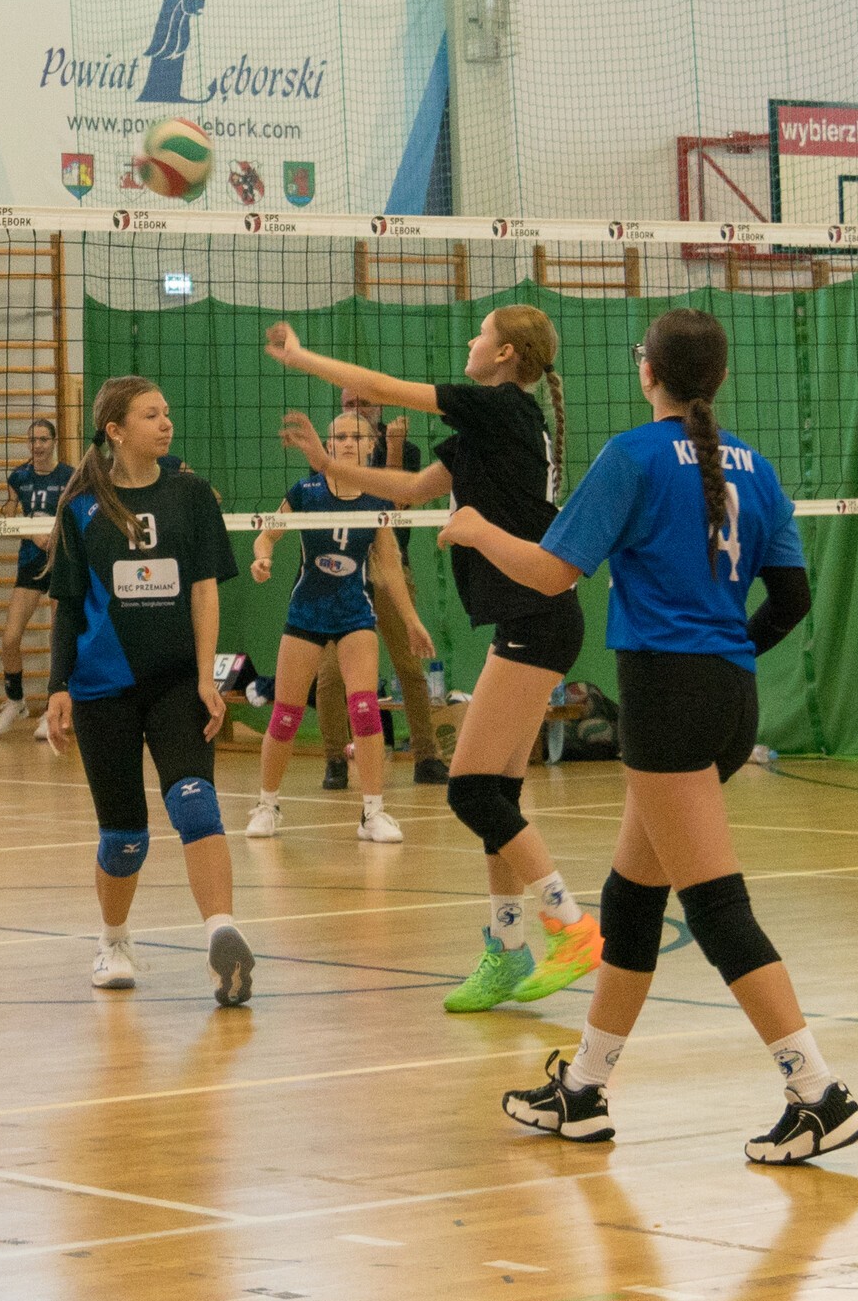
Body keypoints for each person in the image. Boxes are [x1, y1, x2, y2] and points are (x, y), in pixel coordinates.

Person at [453, 309, 858, 1163]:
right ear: (718, 378)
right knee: (634, 901)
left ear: (648, 370)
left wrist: (475, 529)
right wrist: (723, 654)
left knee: (717, 908)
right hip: (727, 697)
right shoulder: (754, 466)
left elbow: (551, 573)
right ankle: (583, 1090)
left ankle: (817, 1093)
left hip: (666, 698)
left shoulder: (634, 457)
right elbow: (791, 599)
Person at [269, 307, 602, 1013]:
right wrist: (329, 467)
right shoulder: (491, 426)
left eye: (480, 334)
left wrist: (300, 357)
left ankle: (570, 925)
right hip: (531, 619)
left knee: (470, 792)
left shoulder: (501, 408)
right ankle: (507, 951)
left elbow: (381, 388)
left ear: (505, 354)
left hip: (536, 618)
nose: (471, 342)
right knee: (496, 797)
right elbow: (415, 489)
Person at [41, 375, 252, 1005]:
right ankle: (113, 940)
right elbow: (67, 606)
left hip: (176, 682)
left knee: (196, 804)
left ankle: (222, 934)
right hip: (101, 686)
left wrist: (208, 677)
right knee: (125, 835)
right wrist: (57, 686)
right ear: (115, 430)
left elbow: (204, 589)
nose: (166, 423)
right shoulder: (81, 508)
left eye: (167, 413)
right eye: (151, 415)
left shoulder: (190, 494)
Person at [247, 411, 431, 844]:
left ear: (371, 446)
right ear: (328, 446)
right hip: (306, 613)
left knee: (364, 709)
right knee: (286, 715)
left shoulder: (377, 500)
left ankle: (373, 813)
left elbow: (389, 567)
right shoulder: (306, 492)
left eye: (356, 437)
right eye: (340, 437)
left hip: (354, 614)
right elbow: (267, 533)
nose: (347, 443)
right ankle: (267, 805)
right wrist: (262, 557)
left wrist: (412, 622)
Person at [346, 390, 448, 785]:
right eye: (348, 404)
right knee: (334, 672)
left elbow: (394, 504)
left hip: (390, 567)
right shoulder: (337, 450)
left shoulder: (406, 448)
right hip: (345, 569)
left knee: (408, 663)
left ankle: (426, 756)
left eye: (363, 402)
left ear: (381, 407)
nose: (356, 410)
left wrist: (392, 448)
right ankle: (336, 759)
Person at [0, 418, 71, 735]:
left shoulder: (69, 476)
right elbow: (8, 516)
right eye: (33, 440)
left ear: (54, 441)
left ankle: (53, 707)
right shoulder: (19, 477)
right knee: (10, 637)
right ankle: (16, 701)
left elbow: (76, 517)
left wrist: (55, 534)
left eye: (43, 439)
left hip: (60, 562)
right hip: (29, 562)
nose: (37, 445)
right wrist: (29, 531)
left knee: (58, 638)